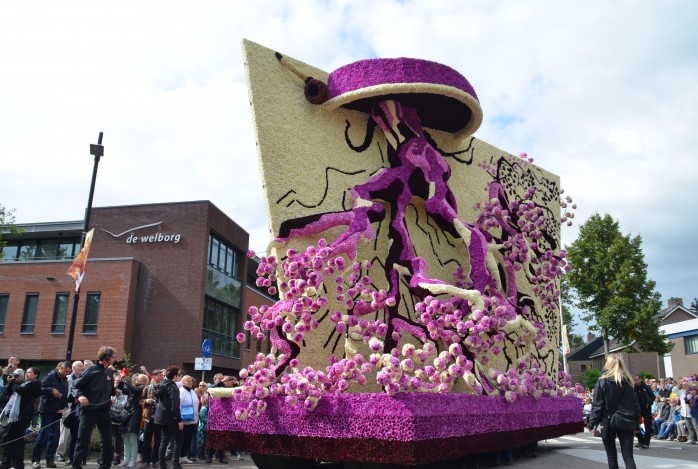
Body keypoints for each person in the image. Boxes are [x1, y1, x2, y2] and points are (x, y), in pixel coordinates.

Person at [588, 354, 640, 469]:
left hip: (608, 421)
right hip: (626, 420)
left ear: (608, 365)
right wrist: (637, 422)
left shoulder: (602, 382)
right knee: (628, 457)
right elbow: (635, 404)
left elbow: (598, 405)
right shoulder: (628, 382)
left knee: (611, 456)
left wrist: (592, 423)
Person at [71, 346, 118, 469]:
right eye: (113, 357)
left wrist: (117, 388)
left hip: (104, 412)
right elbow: (75, 386)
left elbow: (111, 391)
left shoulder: (109, 371)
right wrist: (80, 396)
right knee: (82, 441)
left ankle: (105, 466)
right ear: (107, 357)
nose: (115, 359)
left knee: (107, 442)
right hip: (89, 412)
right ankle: (76, 466)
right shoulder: (91, 371)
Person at [32, 361, 72, 469]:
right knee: (44, 435)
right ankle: (35, 460)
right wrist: (51, 390)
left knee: (54, 436)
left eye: (69, 372)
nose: (67, 374)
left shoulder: (65, 380)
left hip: (58, 411)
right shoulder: (50, 377)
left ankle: (50, 459)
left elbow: (64, 395)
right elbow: (39, 389)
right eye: (66, 371)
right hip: (47, 410)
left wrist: (65, 406)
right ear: (60, 368)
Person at [1, 368, 41, 469]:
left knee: (16, 440)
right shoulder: (23, 383)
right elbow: (11, 393)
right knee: (9, 438)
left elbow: (21, 391)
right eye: (26, 372)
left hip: (22, 415)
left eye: (29, 372)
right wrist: (10, 383)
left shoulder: (34, 384)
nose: (27, 374)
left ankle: (17, 464)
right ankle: (7, 463)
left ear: (35, 375)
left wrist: (14, 382)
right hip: (14, 415)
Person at [154, 366, 183, 469]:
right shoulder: (172, 387)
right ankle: (175, 464)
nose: (179, 377)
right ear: (175, 376)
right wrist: (179, 419)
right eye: (178, 375)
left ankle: (162, 464)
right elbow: (174, 405)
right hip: (170, 418)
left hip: (160, 417)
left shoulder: (161, 384)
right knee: (178, 440)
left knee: (164, 440)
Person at [56, 361, 84, 463]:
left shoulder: (83, 379)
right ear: (73, 368)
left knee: (75, 435)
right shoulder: (68, 379)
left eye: (82, 366)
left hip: (78, 410)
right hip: (67, 408)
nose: (81, 368)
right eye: (79, 366)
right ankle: (60, 453)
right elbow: (64, 394)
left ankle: (73, 457)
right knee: (64, 433)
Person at [118, 373, 148, 468]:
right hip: (127, 413)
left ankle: (132, 460)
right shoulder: (133, 387)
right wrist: (121, 380)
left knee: (132, 437)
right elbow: (123, 389)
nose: (136, 379)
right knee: (126, 437)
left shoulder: (143, 387)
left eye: (139, 378)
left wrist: (126, 380)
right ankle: (126, 459)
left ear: (143, 380)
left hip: (135, 413)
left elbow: (134, 390)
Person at [141, 369, 165, 468]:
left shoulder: (165, 387)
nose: (162, 377)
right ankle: (146, 460)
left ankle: (155, 460)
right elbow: (141, 400)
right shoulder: (148, 387)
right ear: (154, 377)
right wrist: (146, 400)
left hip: (160, 418)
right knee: (147, 439)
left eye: (162, 375)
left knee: (159, 440)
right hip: (149, 417)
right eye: (160, 375)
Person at [178, 376, 199, 464]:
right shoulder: (181, 391)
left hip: (192, 420)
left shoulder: (192, 391)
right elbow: (178, 405)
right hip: (183, 420)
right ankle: (178, 456)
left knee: (188, 439)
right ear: (183, 382)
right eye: (188, 381)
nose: (190, 383)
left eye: (191, 381)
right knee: (181, 439)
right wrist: (179, 419)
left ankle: (183, 456)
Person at [633, 375, 654, 448]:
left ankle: (646, 443)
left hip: (646, 409)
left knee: (648, 426)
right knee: (635, 426)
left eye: (637, 379)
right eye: (635, 380)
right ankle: (640, 440)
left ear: (640, 379)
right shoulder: (633, 388)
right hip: (637, 410)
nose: (636, 381)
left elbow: (652, 396)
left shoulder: (646, 387)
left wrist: (649, 402)